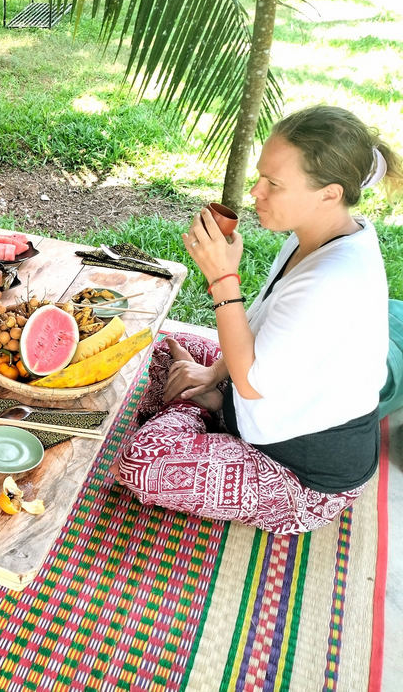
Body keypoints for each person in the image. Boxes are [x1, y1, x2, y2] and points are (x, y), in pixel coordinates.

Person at [113, 105, 400, 535]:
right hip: (264, 403)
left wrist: (222, 278)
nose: (256, 193)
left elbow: (251, 383)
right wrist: (211, 374)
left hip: (303, 475)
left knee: (140, 463)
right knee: (155, 346)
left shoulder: (333, 279)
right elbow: (261, 326)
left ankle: (202, 413)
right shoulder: (319, 235)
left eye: (274, 184)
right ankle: (206, 408)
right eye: (260, 177)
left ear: (329, 193)